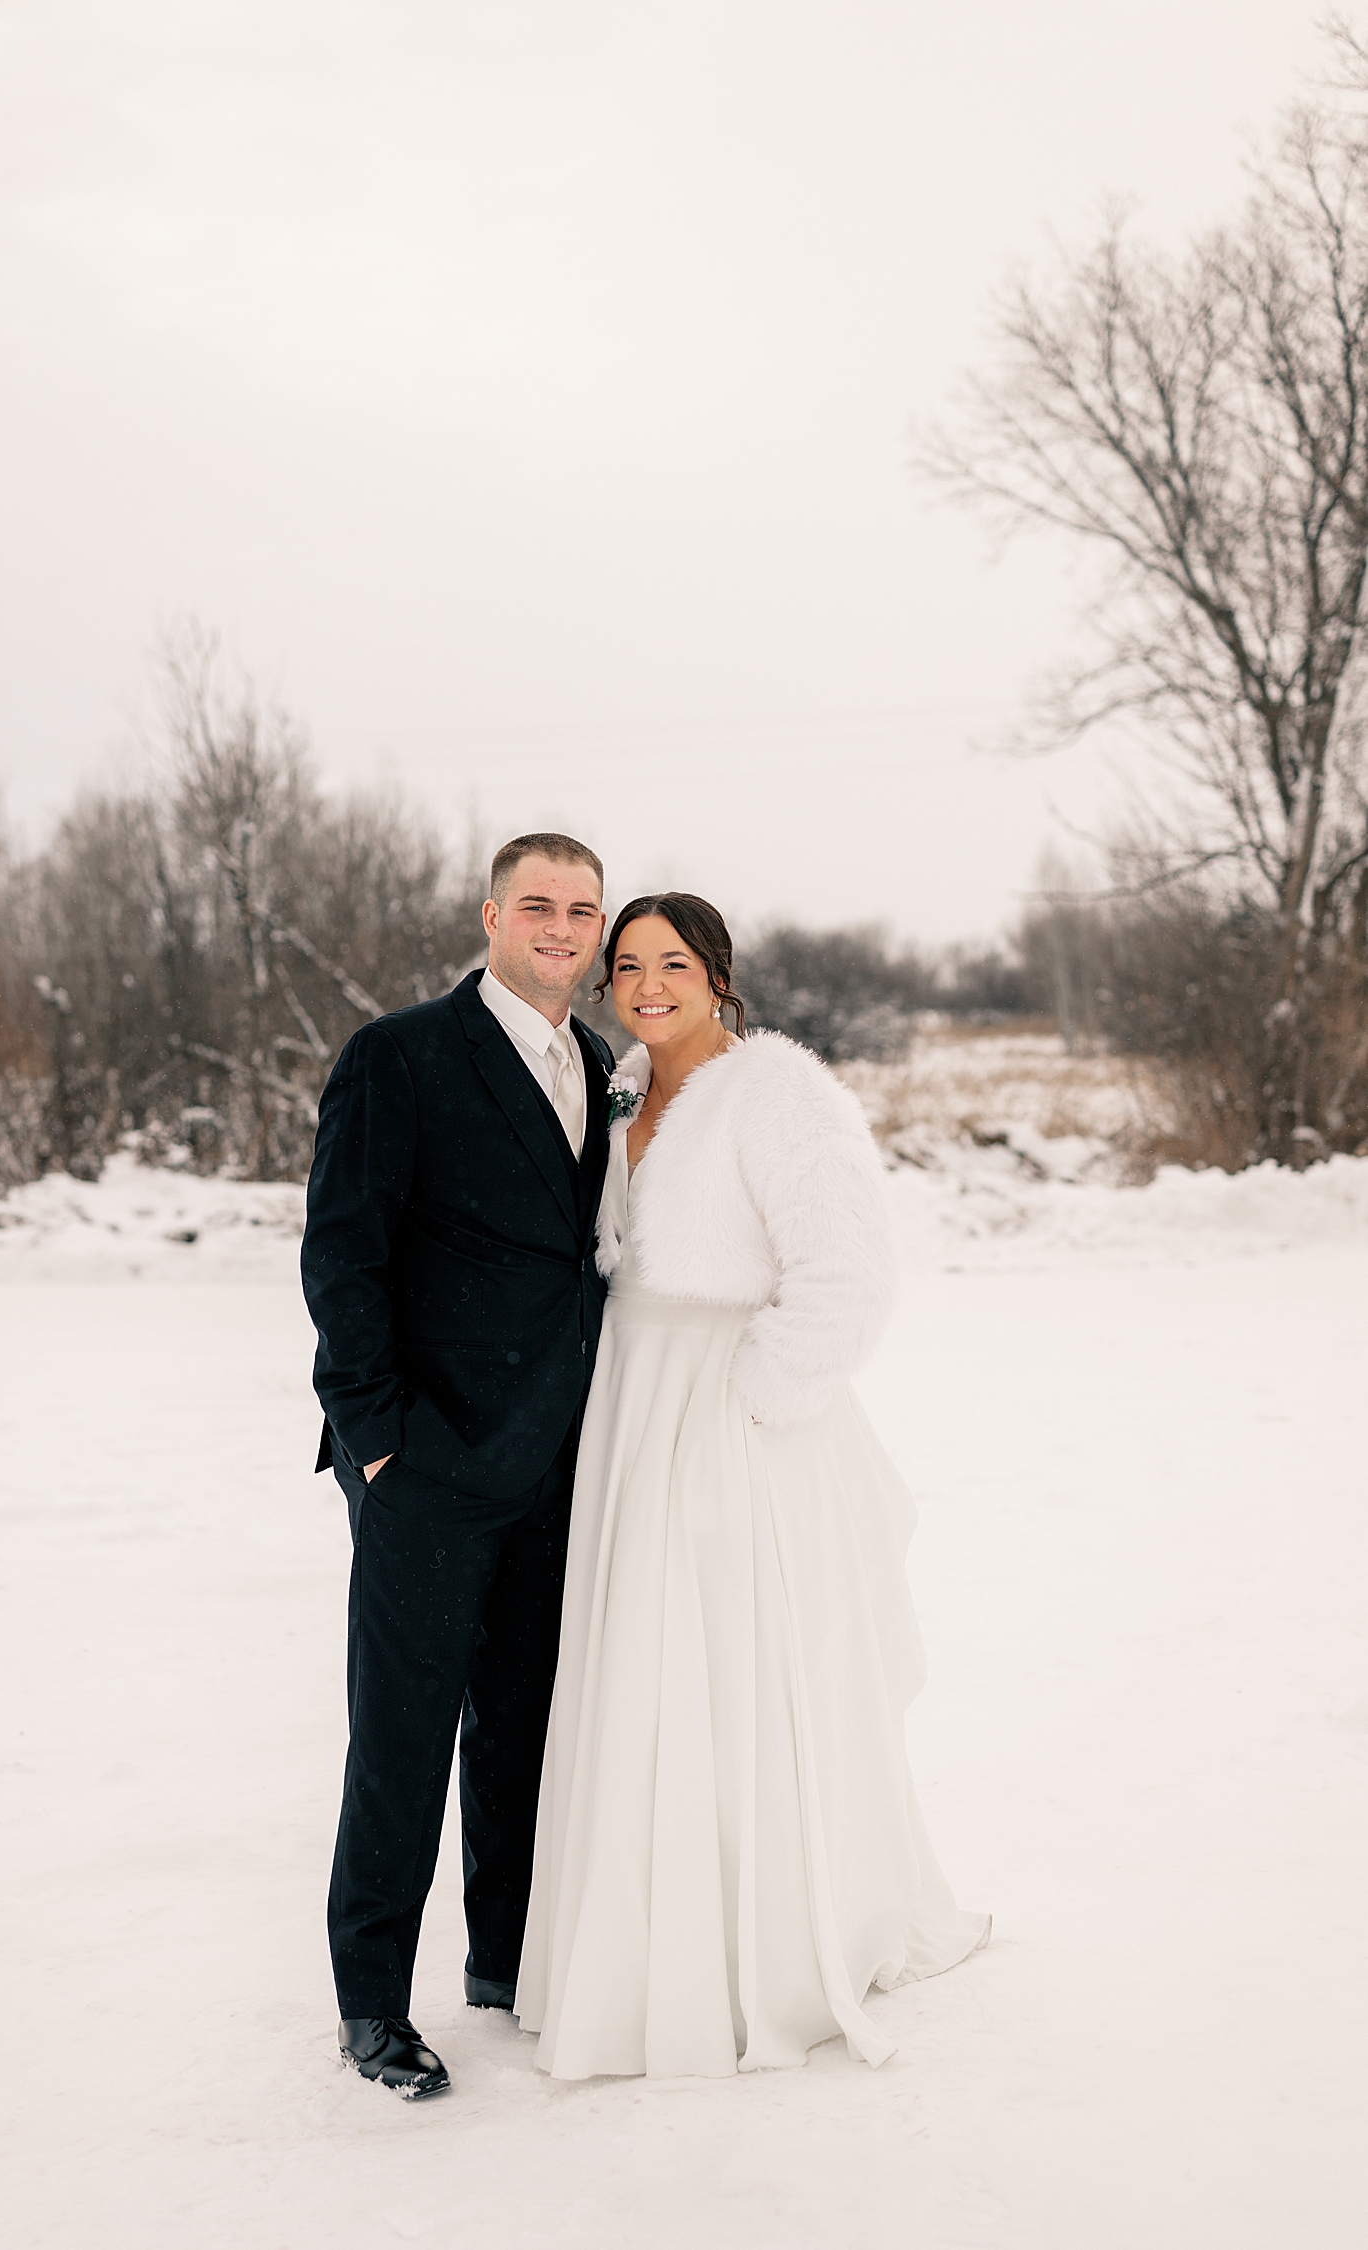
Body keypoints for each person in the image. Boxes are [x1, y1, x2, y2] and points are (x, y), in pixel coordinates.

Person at [516, 893, 989, 2078]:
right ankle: (636, 1943)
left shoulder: (778, 1094)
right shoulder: (617, 1084)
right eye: (627, 966)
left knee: (726, 1670)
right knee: (640, 1668)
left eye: (671, 963)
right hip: (632, 1403)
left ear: (718, 976)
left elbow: (849, 1276)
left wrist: (754, 1404)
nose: (647, 984)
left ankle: (755, 1947)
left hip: (732, 1413)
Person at [301, 833, 612, 2099]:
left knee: (526, 1730)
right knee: (403, 1738)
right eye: (537, 904)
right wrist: (379, 1439)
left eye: (582, 909)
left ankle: (505, 1963)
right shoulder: (402, 1055)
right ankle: (372, 2004)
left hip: (556, 1465)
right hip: (425, 1464)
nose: (561, 926)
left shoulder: (599, 1064)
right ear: (490, 915)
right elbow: (344, 1254)